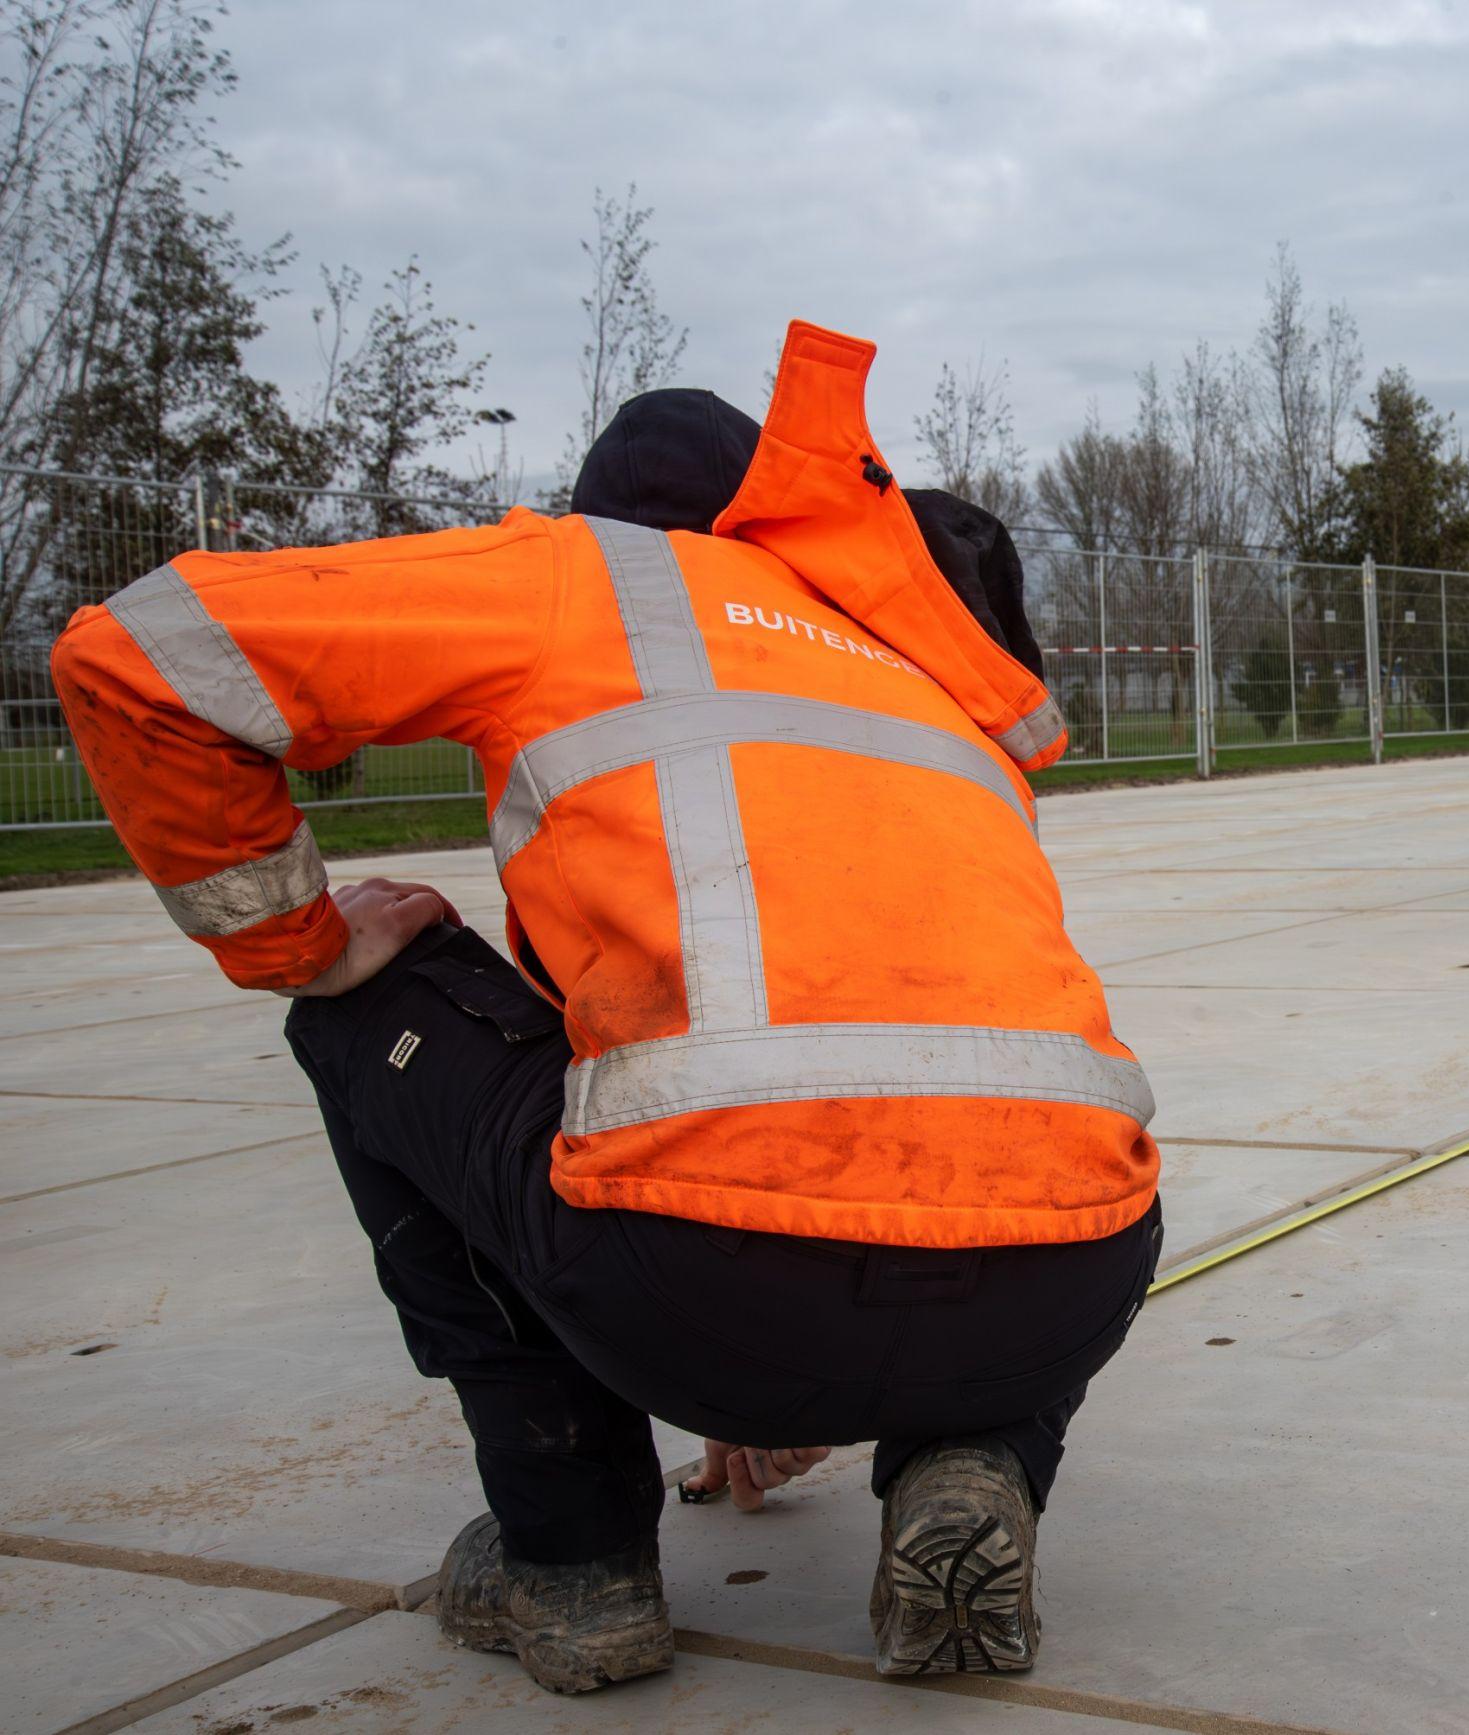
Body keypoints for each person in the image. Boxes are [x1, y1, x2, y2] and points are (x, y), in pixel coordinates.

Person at [50, 319, 1161, 1692]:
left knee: (366, 995)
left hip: (710, 1278)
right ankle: (974, 1453)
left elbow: (139, 651)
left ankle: (571, 1557)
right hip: (1073, 1276)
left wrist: (302, 942)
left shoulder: (577, 578)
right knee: (1008, 1122)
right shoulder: (916, 645)